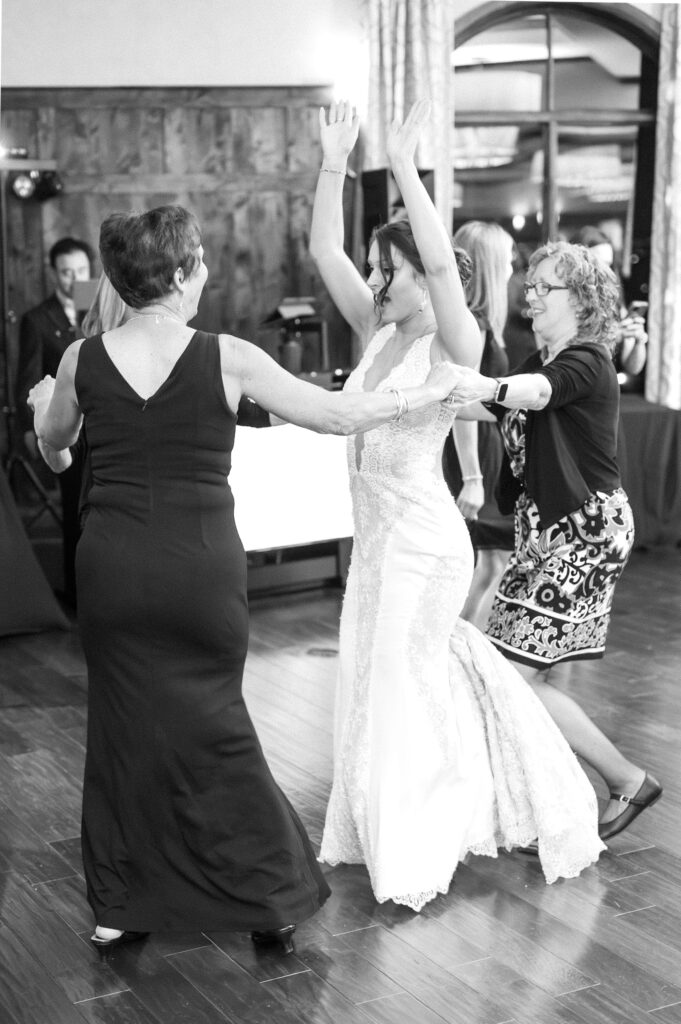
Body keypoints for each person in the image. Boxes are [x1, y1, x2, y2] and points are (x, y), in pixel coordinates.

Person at [27, 204, 462, 956]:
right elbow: (331, 415)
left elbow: (56, 449)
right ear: (183, 271)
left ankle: (121, 903)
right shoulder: (226, 356)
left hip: (112, 567)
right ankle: (264, 894)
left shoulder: (79, 360)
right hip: (200, 569)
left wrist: (44, 416)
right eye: (199, 259)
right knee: (216, 725)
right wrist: (422, 394)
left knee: (125, 731)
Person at [310, 99, 605, 910]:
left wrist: (405, 166)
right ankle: (379, 821)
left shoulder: (455, 341)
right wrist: (335, 159)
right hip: (374, 546)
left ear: (421, 277)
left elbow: (445, 271)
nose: (374, 280)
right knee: (378, 681)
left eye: (387, 268)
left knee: (403, 682)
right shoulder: (375, 331)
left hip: (423, 541)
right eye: (375, 270)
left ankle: (419, 833)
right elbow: (322, 248)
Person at [447, 239, 662, 846]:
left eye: (546, 287)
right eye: (530, 285)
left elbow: (534, 396)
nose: (531, 296)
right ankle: (556, 800)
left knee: (514, 674)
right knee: (532, 671)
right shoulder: (551, 358)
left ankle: (626, 778)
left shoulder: (586, 359)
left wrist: (478, 384)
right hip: (550, 534)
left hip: (583, 534)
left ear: (583, 299)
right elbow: (510, 410)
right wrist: (430, 401)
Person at [442, 221, 516, 630]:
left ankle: (459, 651)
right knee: (489, 560)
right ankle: (456, 651)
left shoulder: (479, 323)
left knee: (492, 560)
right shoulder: (475, 326)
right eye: (506, 261)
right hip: (475, 453)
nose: (511, 270)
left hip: (484, 447)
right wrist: (472, 476)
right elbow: (460, 402)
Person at [15, 237, 94, 607]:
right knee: (75, 512)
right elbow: (27, 380)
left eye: (80, 271)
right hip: (66, 429)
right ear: (53, 273)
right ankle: (79, 596)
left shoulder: (106, 312)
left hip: (105, 423)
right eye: (66, 272)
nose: (73, 279)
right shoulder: (37, 319)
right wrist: (33, 430)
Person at [570, 226, 648, 376]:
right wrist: (614, 336)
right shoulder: (566, 301)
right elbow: (573, 355)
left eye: (609, 264)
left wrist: (638, 342)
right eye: (599, 263)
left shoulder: (615, 302)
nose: (606, 271)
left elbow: (633, 368)